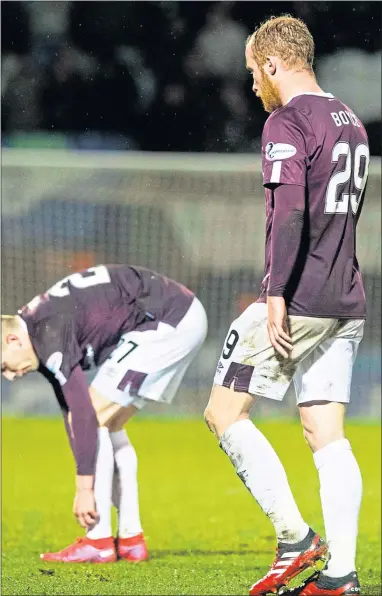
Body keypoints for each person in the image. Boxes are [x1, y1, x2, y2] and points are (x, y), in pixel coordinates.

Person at [204, 15, 368, 596]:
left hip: (301, 295)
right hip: (347, 296)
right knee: (326, 431)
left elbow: (291, 212)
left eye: (254, 72)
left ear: (273, 63)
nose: (254, 85)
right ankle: (342, 576)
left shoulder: (287, 120)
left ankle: (296, 539)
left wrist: (274, 292)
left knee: (224, 413)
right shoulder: (351, 121)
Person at [2, 264, 207, 563]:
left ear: (13, 341)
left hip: (168, 320)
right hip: (178, 316)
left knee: (95, 416)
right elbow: (71, 409)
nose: (9, 376)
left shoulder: (47, 331)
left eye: (4, 366)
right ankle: (131, 539)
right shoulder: (36, 330)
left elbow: (84, 413)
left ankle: (98, 540)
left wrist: (84, 487)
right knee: (107, 424)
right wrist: (80, 451)